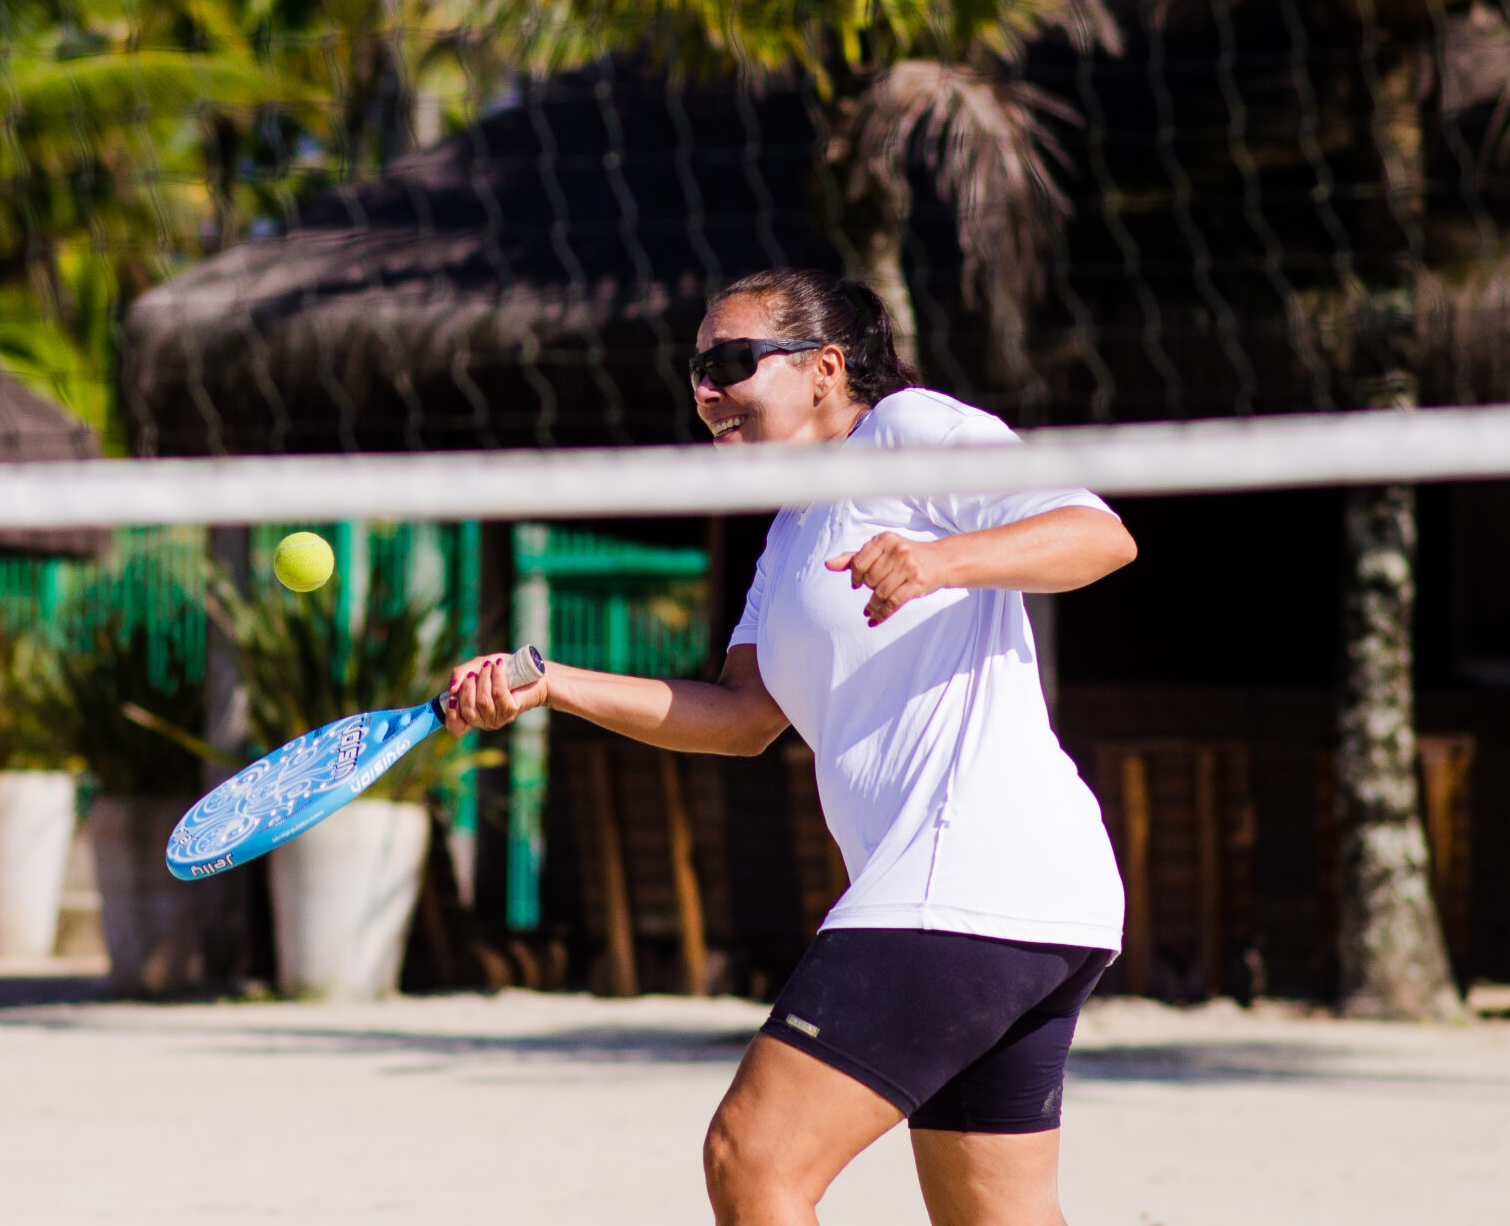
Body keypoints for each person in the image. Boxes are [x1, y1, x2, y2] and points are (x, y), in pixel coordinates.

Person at [442, 267, 1137, 1226]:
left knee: (751, 1158)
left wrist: (941, 561)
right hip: (1026, 891)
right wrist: (550, 681)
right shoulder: (787, 537)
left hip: (967, 870)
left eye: (730, 363)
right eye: (695, 371)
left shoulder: (906, 431)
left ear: (824, 368)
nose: (705, 391)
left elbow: (1097, 536)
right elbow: (740, 716)